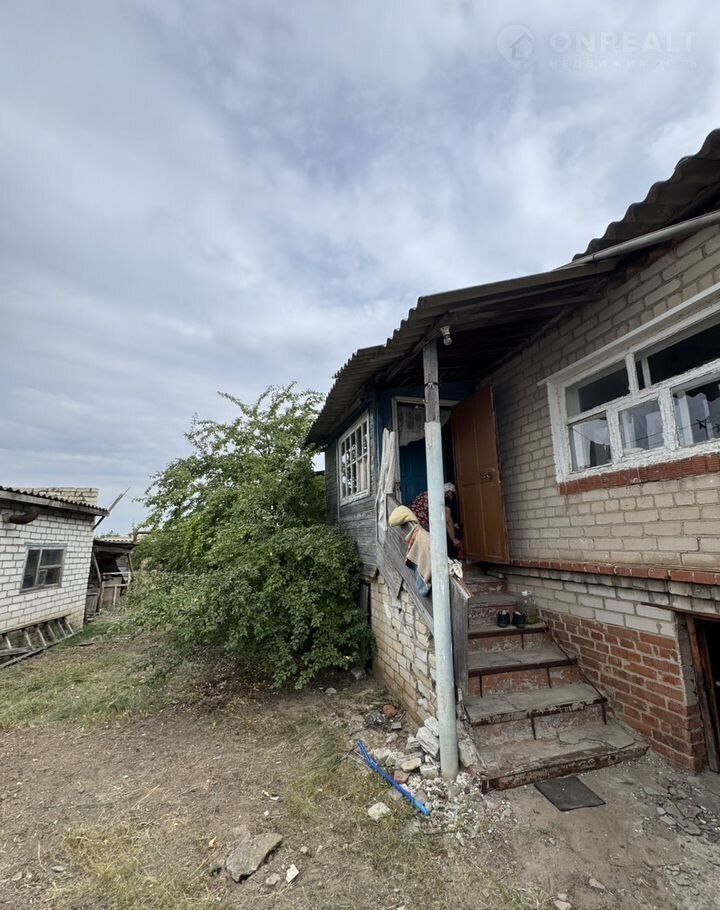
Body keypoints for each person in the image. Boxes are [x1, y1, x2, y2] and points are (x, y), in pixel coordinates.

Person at [409, 482, 463, 558]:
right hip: (421, 523)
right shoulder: (440, 499)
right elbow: (447, 520)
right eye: (452, 494)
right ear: (448, 492)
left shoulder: (426, 494)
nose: (451, 497)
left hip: (411, 520)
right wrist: (453, 538)